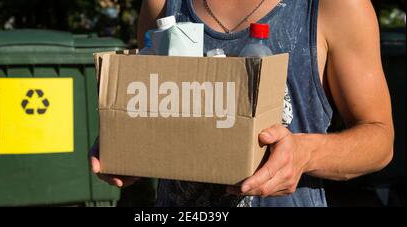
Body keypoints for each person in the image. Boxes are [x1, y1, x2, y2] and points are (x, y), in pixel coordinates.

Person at [90, 0, 394, 207]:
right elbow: (155, 109)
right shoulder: (164, 4)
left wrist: (305, 153)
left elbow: (380, 138)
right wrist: (126, 139)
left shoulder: (335, 6)